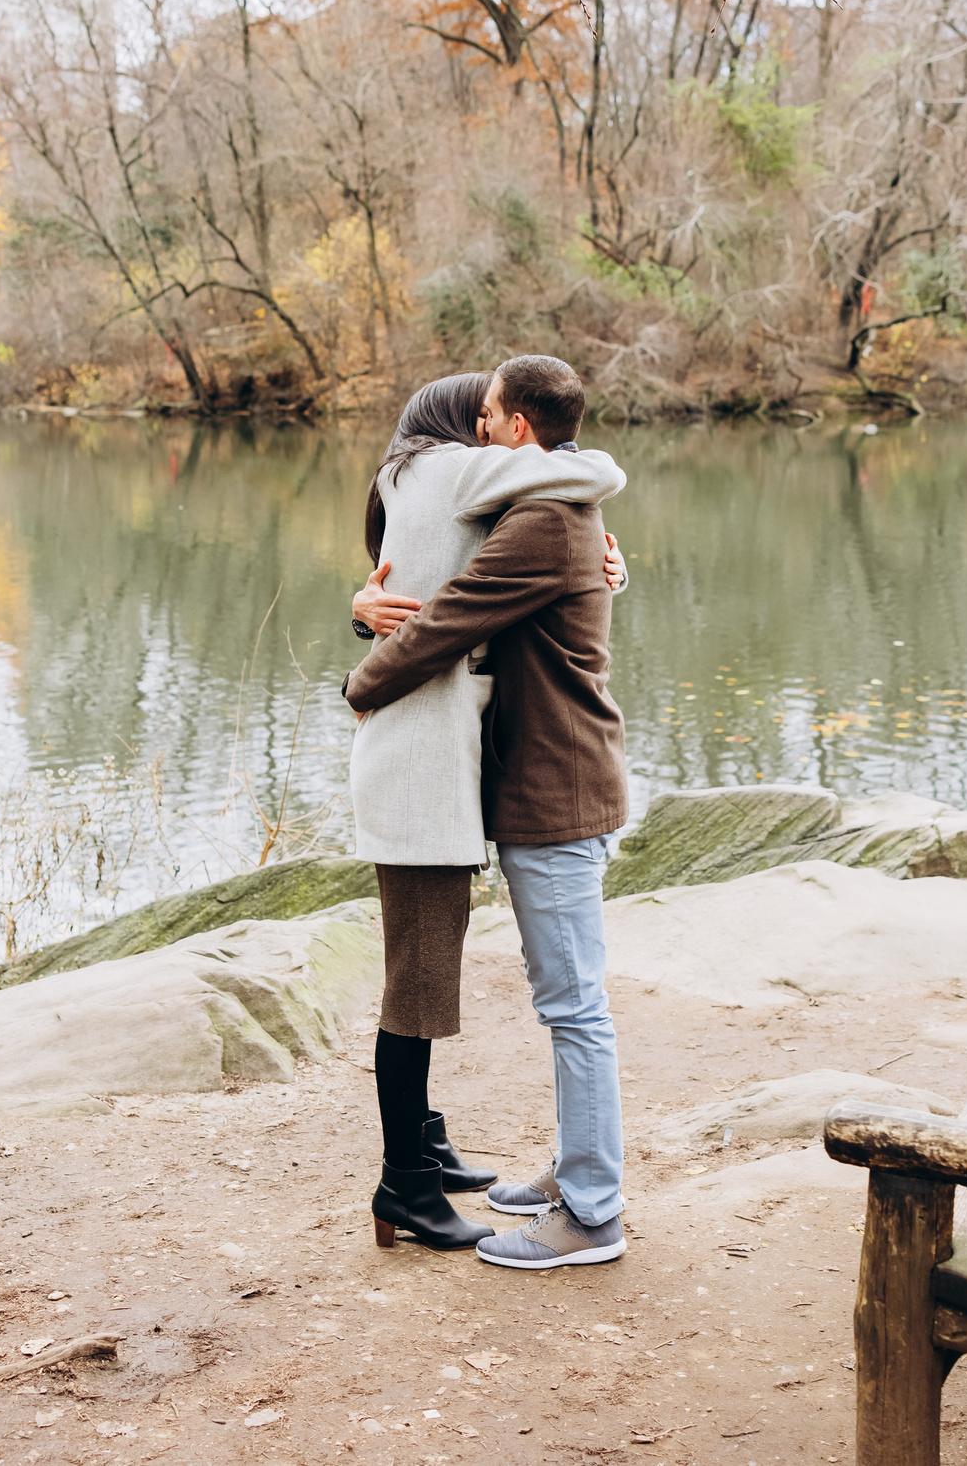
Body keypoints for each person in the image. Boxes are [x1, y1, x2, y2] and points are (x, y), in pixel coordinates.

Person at [346, 354, 634, 1272]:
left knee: (573, 1006)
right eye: (469, 419)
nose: (480, 433)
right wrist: (365, 618)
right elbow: (428, 587)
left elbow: (450, 614)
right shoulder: (532, 509)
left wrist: (361, 680)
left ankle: (588, 1207)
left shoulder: (544, 518)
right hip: (505, 784)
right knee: (527, 996)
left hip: (556, 789)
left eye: (492, 418)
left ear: (512, 431)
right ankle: (439, 1171)